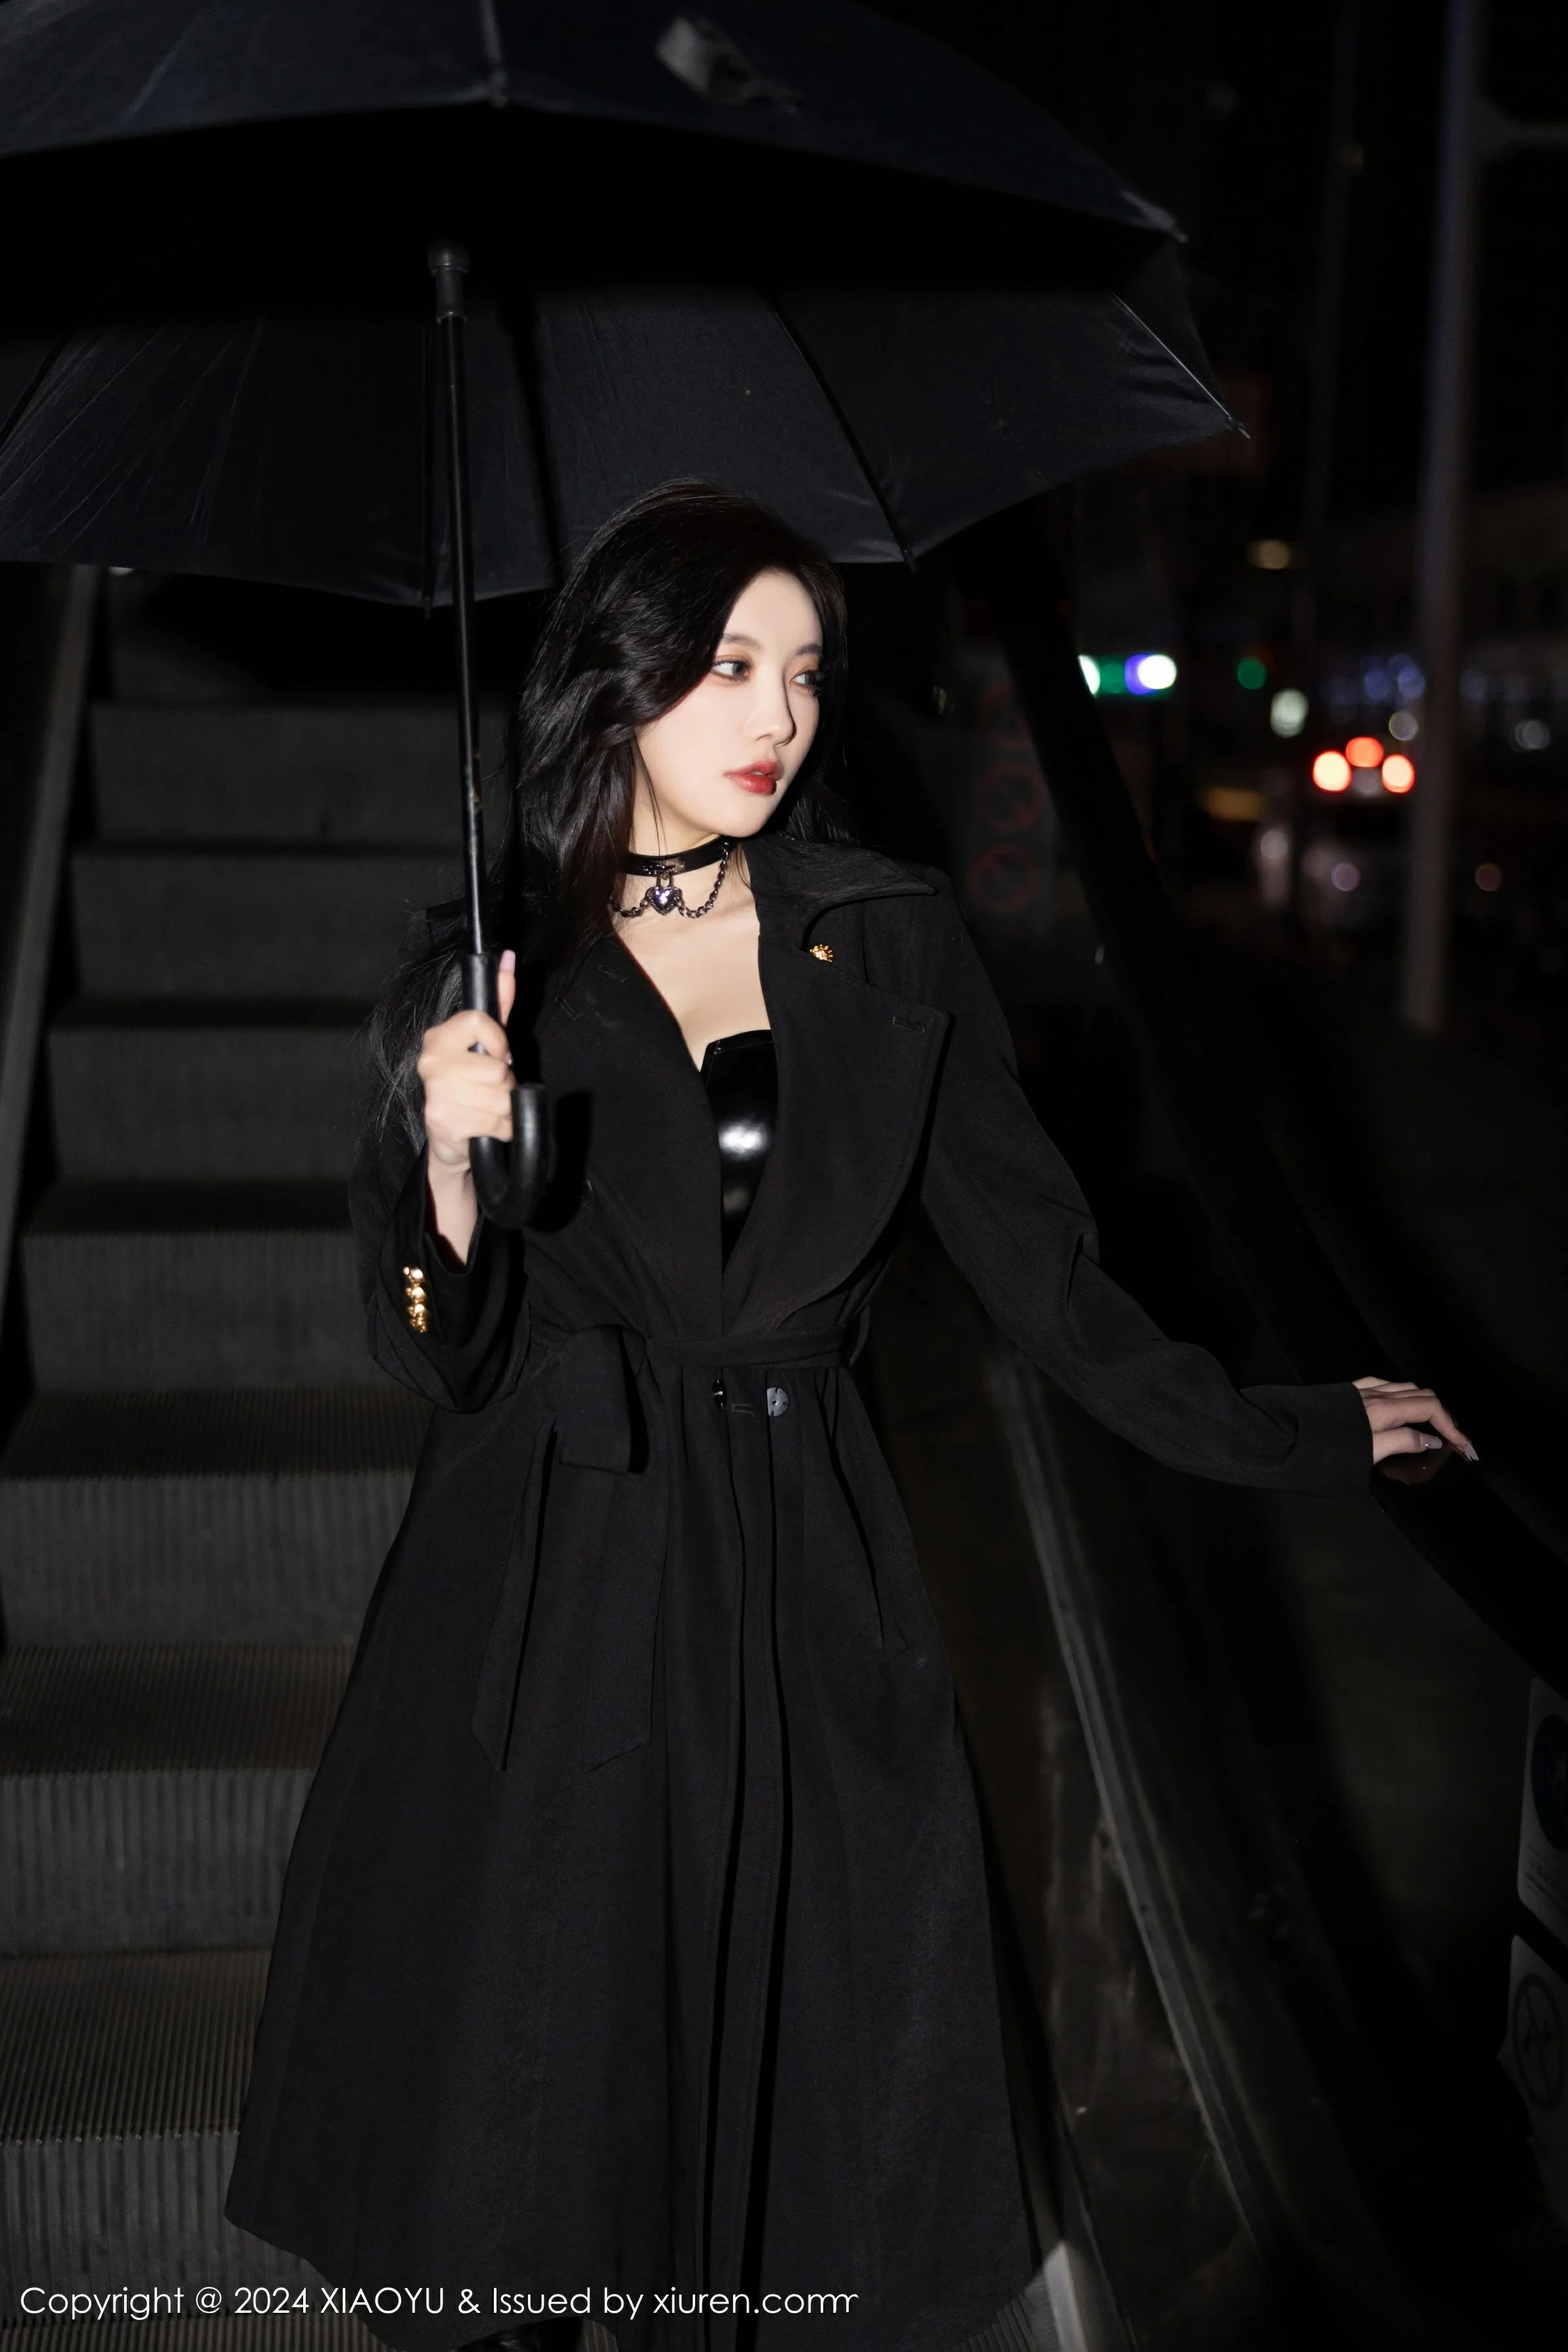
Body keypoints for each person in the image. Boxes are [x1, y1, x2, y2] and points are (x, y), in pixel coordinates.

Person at [223, 481, 1473, 2352]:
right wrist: (453, 1170)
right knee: (535, 2091)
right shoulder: (486, 973)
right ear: (618, 677)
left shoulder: (884, 939)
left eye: (807, 672)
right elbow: (439, 1352)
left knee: (776, 2109)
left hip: (798, 1570)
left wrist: (1286, 1429)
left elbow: (1050, 1276)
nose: (781, 718)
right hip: (548, 1584)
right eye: (730, 667)